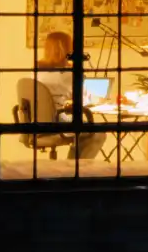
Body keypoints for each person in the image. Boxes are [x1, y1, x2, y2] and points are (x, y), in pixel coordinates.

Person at [37, 31, 106, 160]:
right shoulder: (66, 74)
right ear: (68, 49)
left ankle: (70, 168)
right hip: (55, 121)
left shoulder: (37, 69)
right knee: (97, 133)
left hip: (36, 122)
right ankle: (75, 170)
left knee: (81, 132)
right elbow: (87, 97)